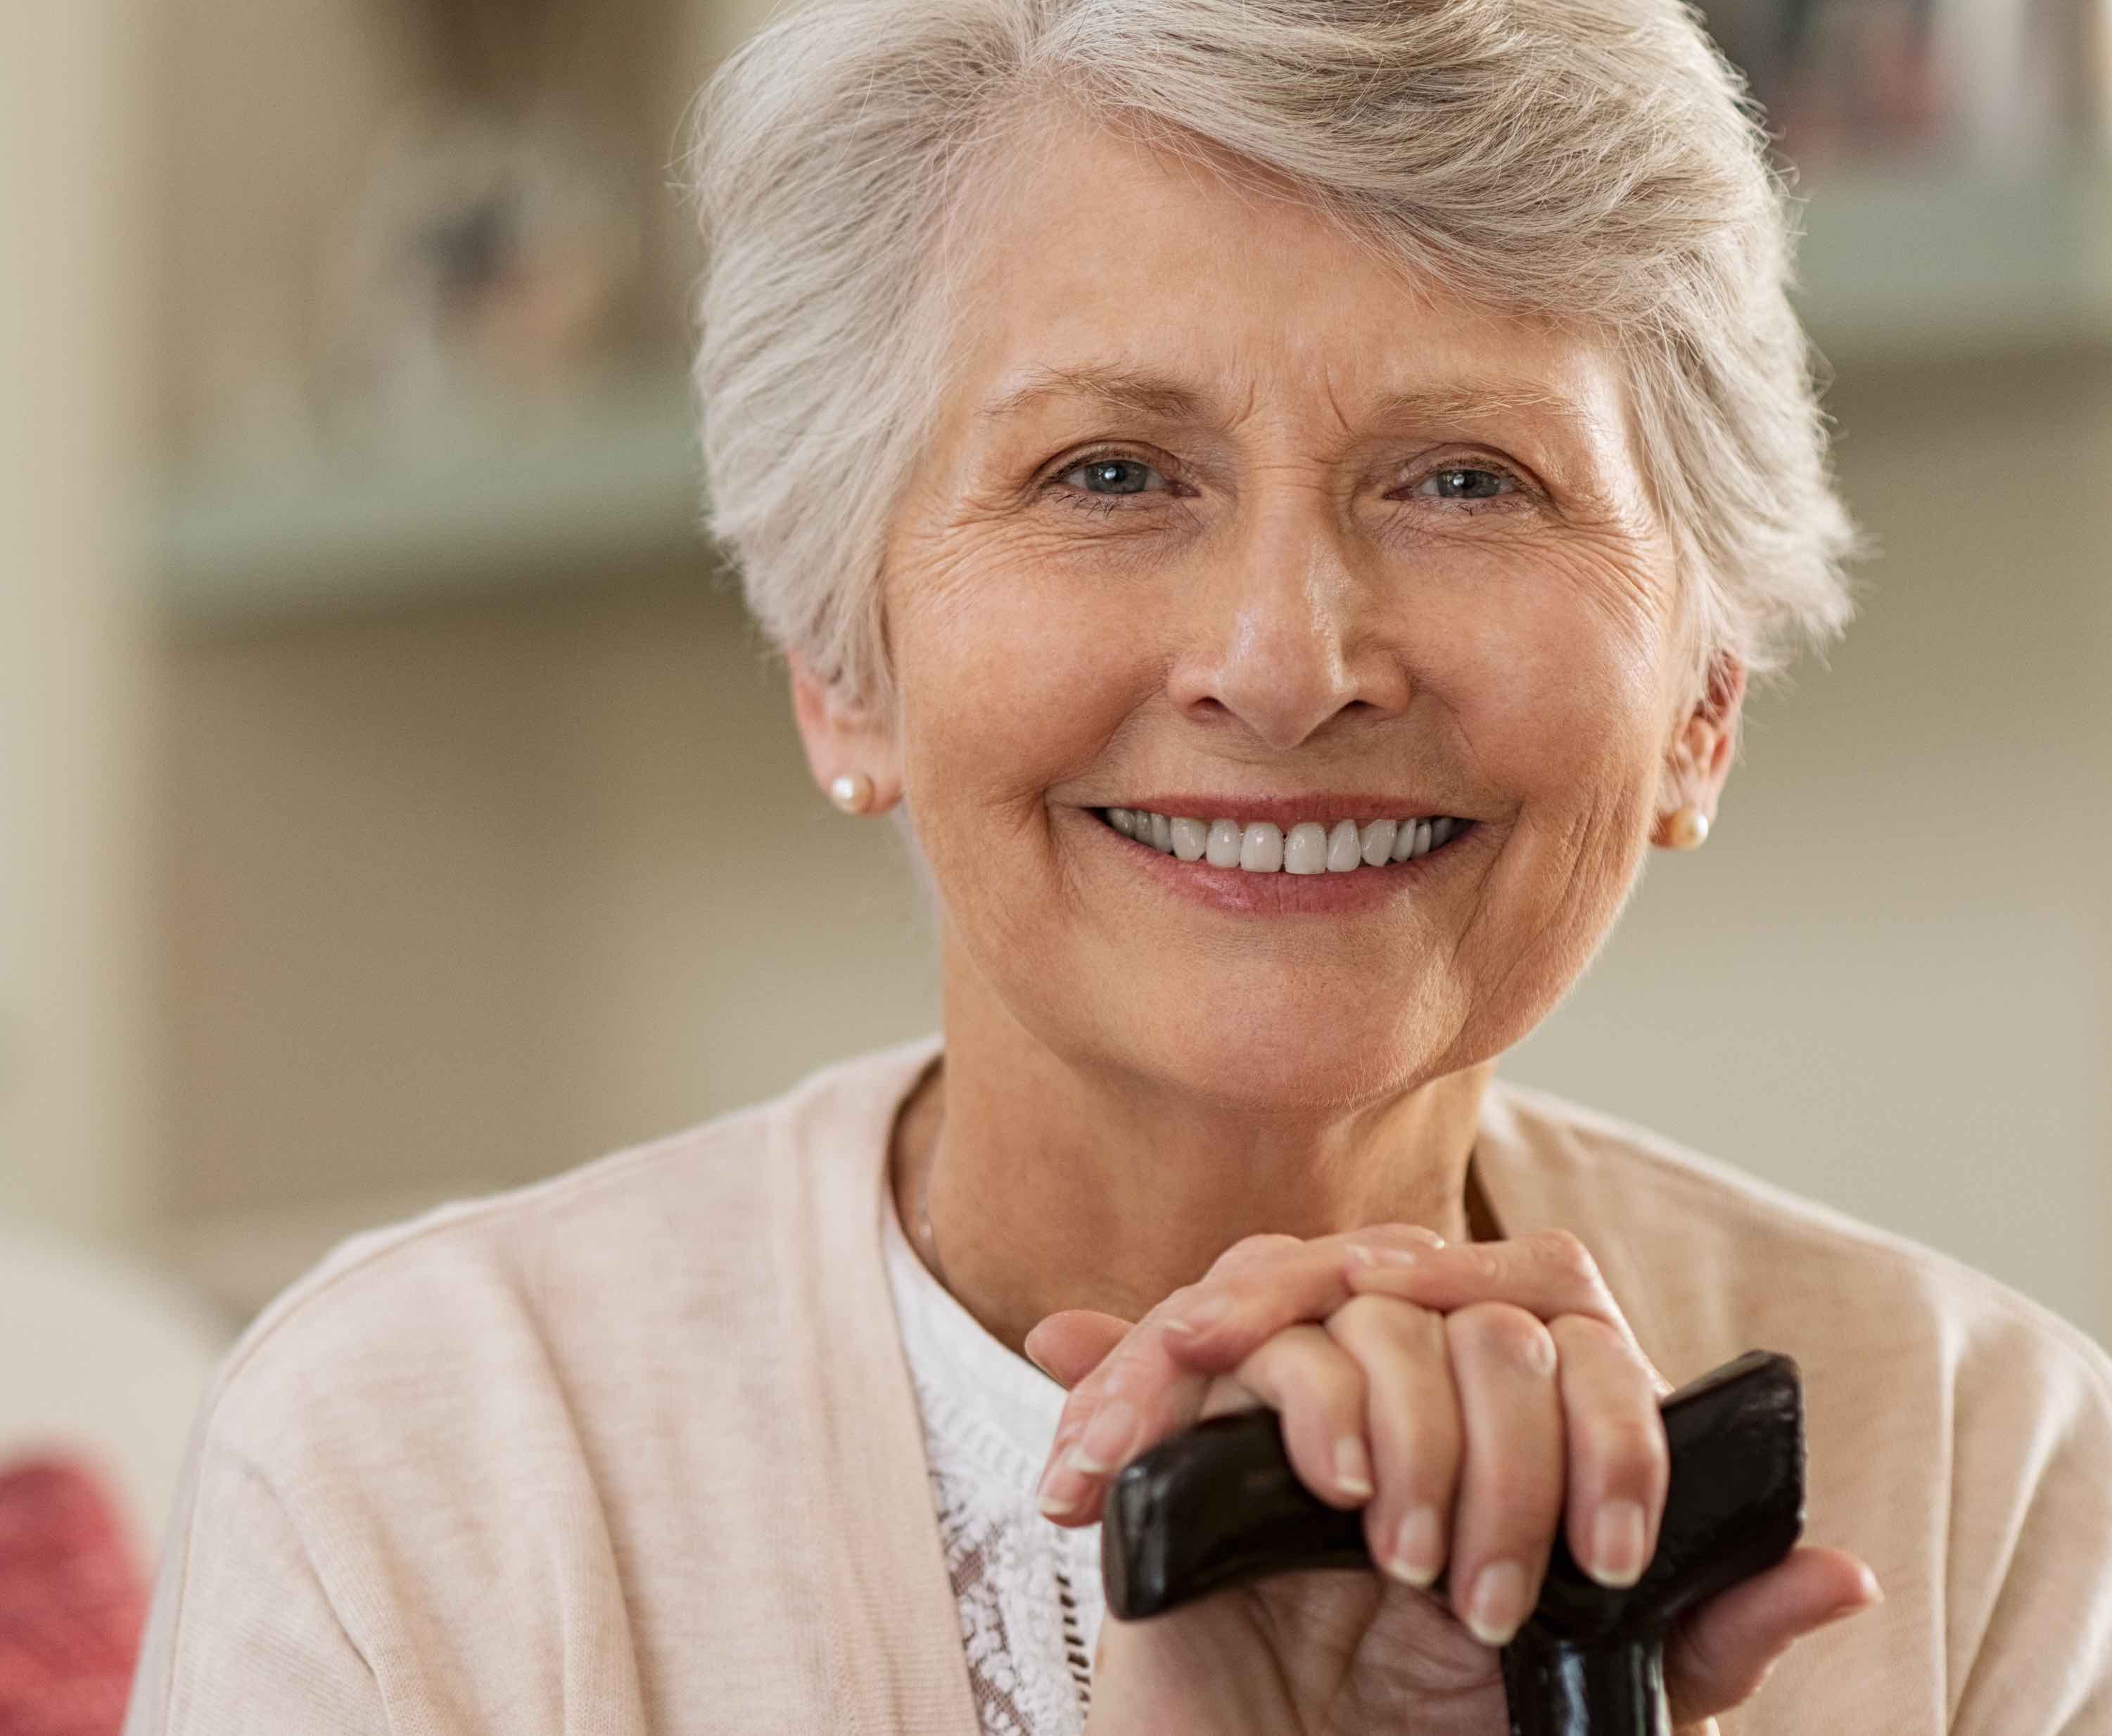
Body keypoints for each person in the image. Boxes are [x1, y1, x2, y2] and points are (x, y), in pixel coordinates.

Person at [124, 1, 2112, 1731]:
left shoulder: (1990, 1470)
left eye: (1463, 479)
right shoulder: (413, 1462)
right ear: (841, 663)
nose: (1286, 662)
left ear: (1702, 692)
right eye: (1108, 473)